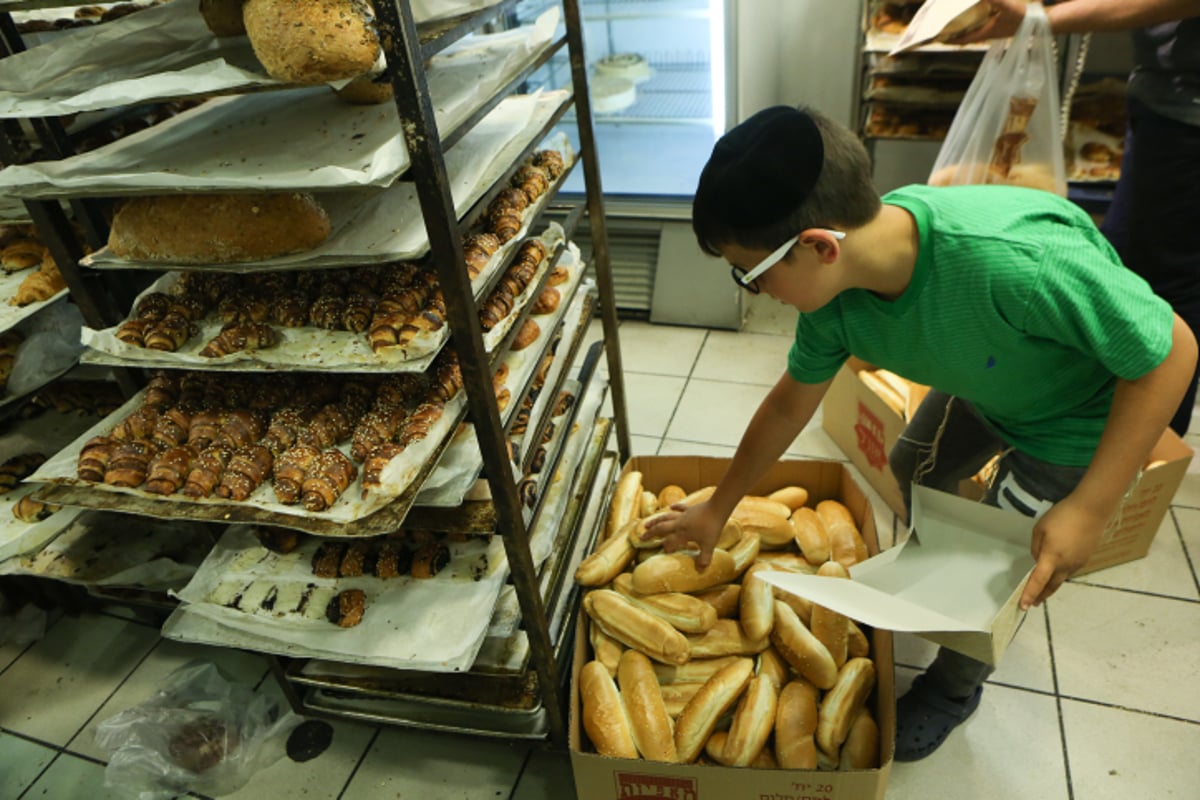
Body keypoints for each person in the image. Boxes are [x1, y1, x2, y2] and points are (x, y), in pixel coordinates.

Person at [643, 104, 1197, 760]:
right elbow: (791, 404)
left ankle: (954, 688)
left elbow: (1172, 352)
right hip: (989, 384)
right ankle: (942, 564)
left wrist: (1092, 506)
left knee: (1000, 572)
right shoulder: (838, 296)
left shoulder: (1011, 264)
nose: (753, 294)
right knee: (915, 468)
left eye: (752, 274)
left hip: (1075, 423)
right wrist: (722, 502)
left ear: (819, 246)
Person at [958, 0, 1200, 435]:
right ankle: (1101, 448)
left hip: (1189, 124)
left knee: (1160, 301)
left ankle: (1133, 467)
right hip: (1166, 102)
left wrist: (1045, 20)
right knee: (1126, 283)